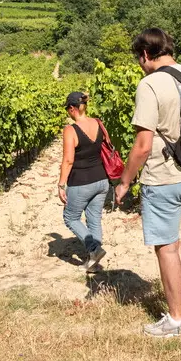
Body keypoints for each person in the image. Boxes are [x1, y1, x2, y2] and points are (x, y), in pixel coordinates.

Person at [114, 28, 181, 338]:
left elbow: (142, 145)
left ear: (146, 54)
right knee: (168, 233)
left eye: (139, 59)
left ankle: (176, 319)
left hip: (164, 176)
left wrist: (124, 182)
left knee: (164, 246)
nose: (140, 65)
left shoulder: (150, 84)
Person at [58, 91, 109, 272]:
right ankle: (94, 263)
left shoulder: (70, 130)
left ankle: (94, 249)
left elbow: (68, 160)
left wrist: (61, 184)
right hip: (102, 180)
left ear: (72, 108)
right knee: (94, 219)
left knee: (70, 218)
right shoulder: (98, 123)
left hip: (82, 181)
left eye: (67, 109)